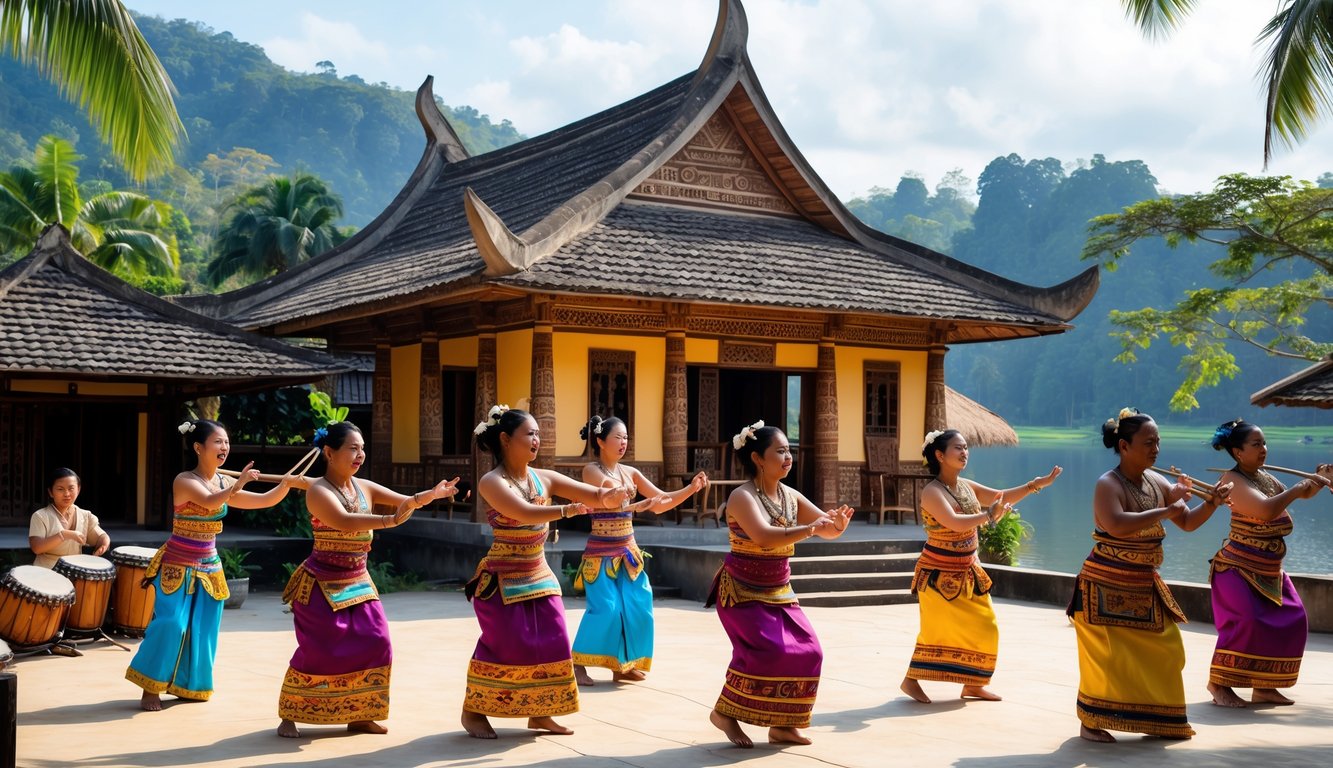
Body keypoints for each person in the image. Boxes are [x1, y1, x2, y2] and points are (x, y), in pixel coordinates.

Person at [276, 421, 461, 737]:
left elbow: (404, 500)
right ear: (329, 453)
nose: (360, 454)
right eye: (353, 448)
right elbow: (345, 521)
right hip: (320, 583)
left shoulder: (364, 486)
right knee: (321, 650)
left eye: (362, 448)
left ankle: (361, 714)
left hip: (358, 580)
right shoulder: (319, 491)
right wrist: (390, 520)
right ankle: (291, 713)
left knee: (377, 641)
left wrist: (430, 495)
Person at [461, 406, 633, 739]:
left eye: (538, 434)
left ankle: (542, 712)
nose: (536, 440)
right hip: (503, 577)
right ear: (505, 439)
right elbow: (524, 512)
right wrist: (567, 510)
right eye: (530, 433)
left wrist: (610, 495)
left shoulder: (544, 477)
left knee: (554, 641)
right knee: (507, 646)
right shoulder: (491, 481)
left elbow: (593, 494)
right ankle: (474, 710)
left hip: (539, 572)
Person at [1069, 408, 1233, 743]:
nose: (1156, 449)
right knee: (1109, 658)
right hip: (1104, 582)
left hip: (1143, 581)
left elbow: (1186, 522)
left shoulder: (1156, 481)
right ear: (1124, 446)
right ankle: (1093, 721)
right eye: (1148, 442)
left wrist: (1212, 503)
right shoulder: (1108, 484)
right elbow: (1116, 524)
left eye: (1157, 441)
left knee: (1168, 648)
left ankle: (1156, 719)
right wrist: (1167, 509)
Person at [126, 419, 294, 711]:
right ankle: (150, 687)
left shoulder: (223, 481)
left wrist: (286, 485)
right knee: (171, 624)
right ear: (198, 447)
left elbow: (262, 500)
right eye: (218, 441)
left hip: (209, 565)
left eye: (226, 442)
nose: (224, 447)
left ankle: (190, 686)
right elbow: (209, 502)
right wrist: (238, 484)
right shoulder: (185, 480)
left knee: (203, 629)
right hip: (178, 563)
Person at [706, 421, 854, 748]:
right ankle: (724, 713)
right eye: (780, 451)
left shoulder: (791, 496)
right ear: (758, 458)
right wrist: (811, 529)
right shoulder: (742, 497)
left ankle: (784, 725)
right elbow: (764, 536)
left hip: (779, 590)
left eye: (789, 451)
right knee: (769, 652)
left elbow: (826, 528)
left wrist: (837, 526)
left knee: (810, 651)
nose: (788, 457)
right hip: (742, 592)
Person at [900, 429, 1061, 704]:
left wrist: (1035, 485)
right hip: (939, 574)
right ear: (940, 455)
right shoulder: (932, 492)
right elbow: (954, 523)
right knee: (937, 631)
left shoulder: (966, 486)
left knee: (986, 626)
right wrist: (988, 515)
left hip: (969, 569)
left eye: (966, 447)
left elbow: (1001, 496)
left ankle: (973, 684)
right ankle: (911, 680)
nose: (964, 452)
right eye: (958, 448)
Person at [572, 415, 707, 686]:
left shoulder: (631, 473)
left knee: (639, 607)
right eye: (617, 437)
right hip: (601, 554)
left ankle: (623, 666)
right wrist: (633, 500)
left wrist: (690, 489)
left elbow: (660, 501)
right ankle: (577, 663)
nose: (623, 442)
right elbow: (611, 494)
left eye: (626, 438)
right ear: (600, 441)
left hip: (628, 553)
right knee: (607, 609)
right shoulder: (591, 470)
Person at [1206, 419, 1328, 708]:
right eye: (1256, 444)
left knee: (1294, 619)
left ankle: (1264, 686)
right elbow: (1265, 511)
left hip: (1270, 569)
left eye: (1264, 443)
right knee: (1247, 622)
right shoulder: (1231, 480)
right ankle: (1218, 684)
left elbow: (1303, 492)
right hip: (1238, 568)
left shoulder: (1265, 477)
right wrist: (1296, 490)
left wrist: (1320, 479)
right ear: (1238, 452)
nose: (1264, 449)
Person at [29, 468, 110, 568]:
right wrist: (63, 535)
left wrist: (104, 542)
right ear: (50, 492)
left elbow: (99, 536)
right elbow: (36, 547)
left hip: (75, 570)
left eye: (71, 488)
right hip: (47, 570)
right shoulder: (40, 516)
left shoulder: (85, 515)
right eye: (60, 489)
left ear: (78, 489)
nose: (67, 494)